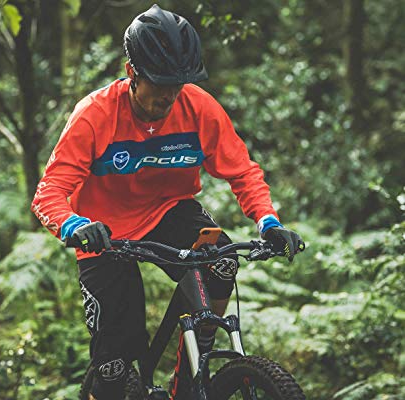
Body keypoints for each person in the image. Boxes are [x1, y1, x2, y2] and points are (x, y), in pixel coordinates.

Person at [32, 4, 304, 399]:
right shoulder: (94, 115)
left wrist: (269, 222)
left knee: (222, 260)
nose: (170, 95)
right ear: (132, 72)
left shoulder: (199, 108)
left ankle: (192, 380)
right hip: (102, 231)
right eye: (160, 84)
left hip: (168, 210)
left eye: (178, 84)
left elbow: (242, 170)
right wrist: (75, 226)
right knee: (114, 361)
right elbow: (49, 192)